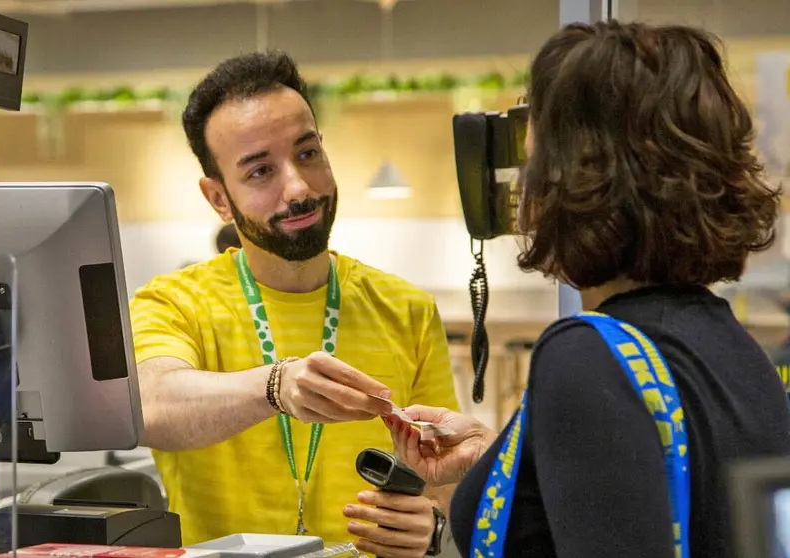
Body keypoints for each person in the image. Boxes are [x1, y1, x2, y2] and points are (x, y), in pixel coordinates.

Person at [385, 20, 790, 558]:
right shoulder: (733, 350)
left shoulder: (588, 355)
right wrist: (513, 457)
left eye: (532, 155)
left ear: (573, 175)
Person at [128, 51, 458, 556]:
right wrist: (275, 386)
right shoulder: (175, 302)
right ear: (219, 198)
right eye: (261, 171)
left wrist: (432, 526)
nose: (299, 188)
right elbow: (151, 406)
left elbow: (445, 478)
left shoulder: (405, 307)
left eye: (307, 154)